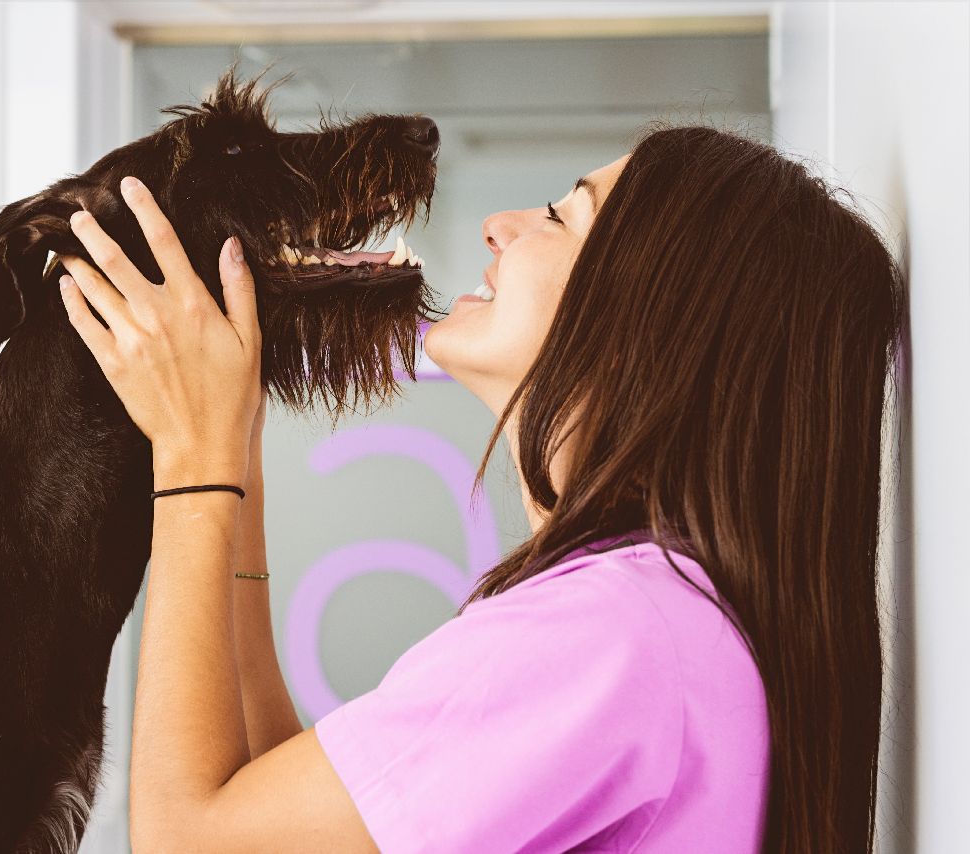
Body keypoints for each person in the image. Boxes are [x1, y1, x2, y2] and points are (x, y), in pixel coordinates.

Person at [56, 124, 904, 853]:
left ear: (652, 317)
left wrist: (191, 458)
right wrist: (231, 453)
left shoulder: (609, 635)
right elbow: (292, 832)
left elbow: (193, 845)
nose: (502, 227)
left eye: (560, 217)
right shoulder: (664, 621)